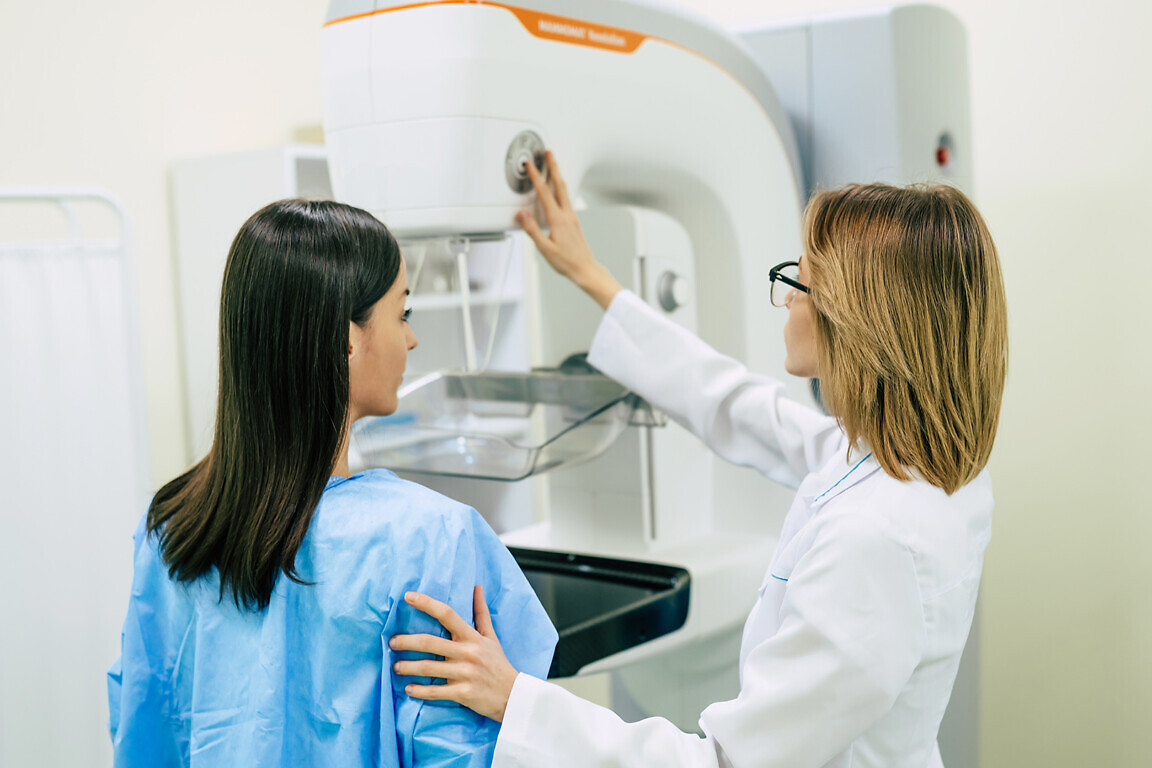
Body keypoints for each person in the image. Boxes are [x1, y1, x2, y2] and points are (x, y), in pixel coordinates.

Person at [388, 152, 1008, 768]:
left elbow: (722, 762)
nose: (786, 293)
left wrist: (516, 700)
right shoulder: (928, 462)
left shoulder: (873, 538)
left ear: (857, 320)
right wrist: (591, 276)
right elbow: (745, 409)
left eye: (802, 277)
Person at [106, 199, 558, 767]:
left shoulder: (172, 528)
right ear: (347, 339)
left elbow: (141, 731)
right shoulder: (429, 538)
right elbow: (461, 752)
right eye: (402, 314)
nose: (411, 340)